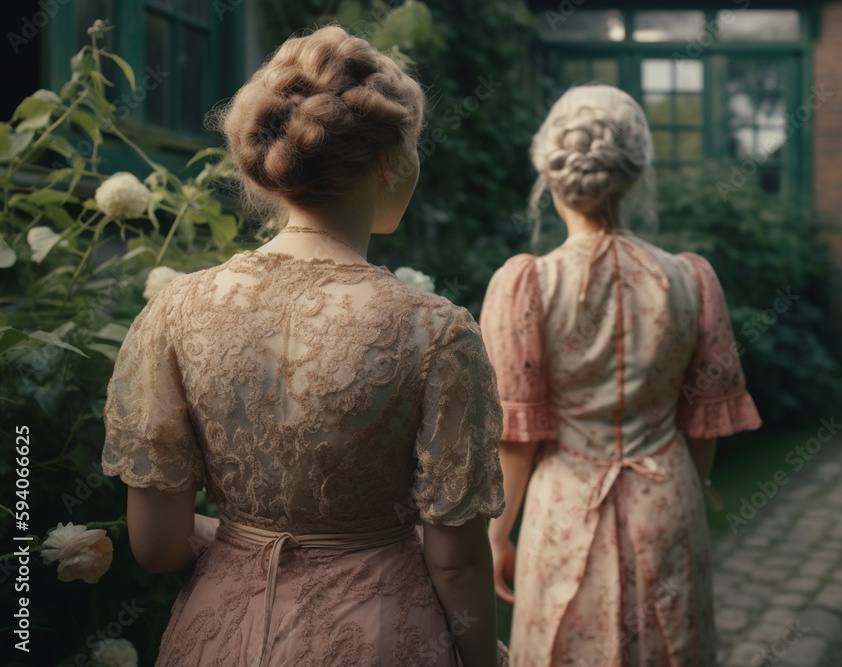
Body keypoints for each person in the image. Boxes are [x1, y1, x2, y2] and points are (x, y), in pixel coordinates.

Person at [102, 25, 507, 667]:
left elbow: (157, 547)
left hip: (222, 636)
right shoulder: (436, 332)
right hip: (378, 635)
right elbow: (455, 560)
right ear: (387, 163)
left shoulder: (176, 310)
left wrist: (243, 541)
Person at [480, 85, 763, 666]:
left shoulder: (527, 285)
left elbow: (518, 434)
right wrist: (697, 486)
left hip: (564, 513)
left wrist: (497, 531)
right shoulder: (690, 279)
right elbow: (702, 423)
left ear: (550, 174)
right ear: (636, 174)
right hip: (668, 503)